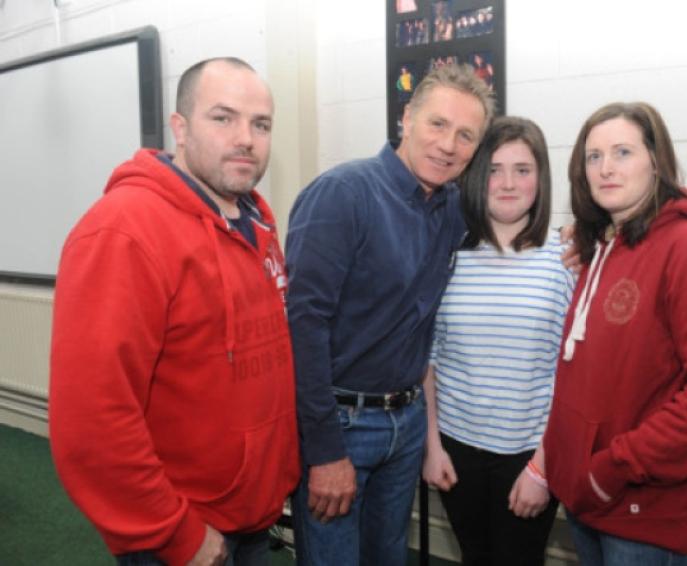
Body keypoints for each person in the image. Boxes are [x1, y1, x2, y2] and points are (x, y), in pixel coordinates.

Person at [49, 57, 300, 566]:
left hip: (252, 513)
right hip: (185, 532)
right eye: (223, 118)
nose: (246, 139)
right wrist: (176, 533)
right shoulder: (124, 231)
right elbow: (92, 423)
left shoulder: (254, 217)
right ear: (180, 129)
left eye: (261, 124)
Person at [285, 64, 494, 566]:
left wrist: (577, 241)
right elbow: (303, 327)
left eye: (465, 135)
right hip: (342, 424)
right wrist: (325, 450)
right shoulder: (344, 193)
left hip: (406, 423)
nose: (448, 145)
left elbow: (512, 225)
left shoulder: (451, 208)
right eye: (438, 124)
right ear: (407, 119)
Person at [540, 102, 687, 565]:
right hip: (589, 502)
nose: (606, 168)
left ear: (656, 161)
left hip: (643, 512)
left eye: (622, 152)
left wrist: (612, 469)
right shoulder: (602, 247)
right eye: (593, 157)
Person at [422, 116, 574, 566]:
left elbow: (574, 376)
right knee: (474, 556)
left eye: (522, 170)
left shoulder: (567, 259)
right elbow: (428, 358)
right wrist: (432, 447)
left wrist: (543, 466)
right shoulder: (449, 254)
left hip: (529, 453)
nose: (508, 184)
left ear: (540, 178)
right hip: (457, 449)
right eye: (494, 170)